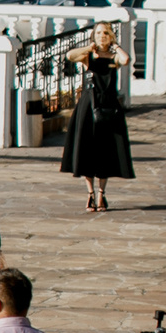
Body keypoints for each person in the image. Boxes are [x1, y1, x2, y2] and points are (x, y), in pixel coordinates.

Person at [59, 20, 134, 212]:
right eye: (99, 33)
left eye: (106, 33)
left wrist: (116, 46)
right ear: (94, 35)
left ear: (110, 36)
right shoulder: (87, 56)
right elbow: (69, 55)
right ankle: (90, 194)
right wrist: (89, 46)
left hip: (108, 106)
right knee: (87, 149)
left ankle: (102, 194)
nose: (102, 36)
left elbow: (126, 60)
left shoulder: (113, 57)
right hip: (89, 105)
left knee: (105, 150)